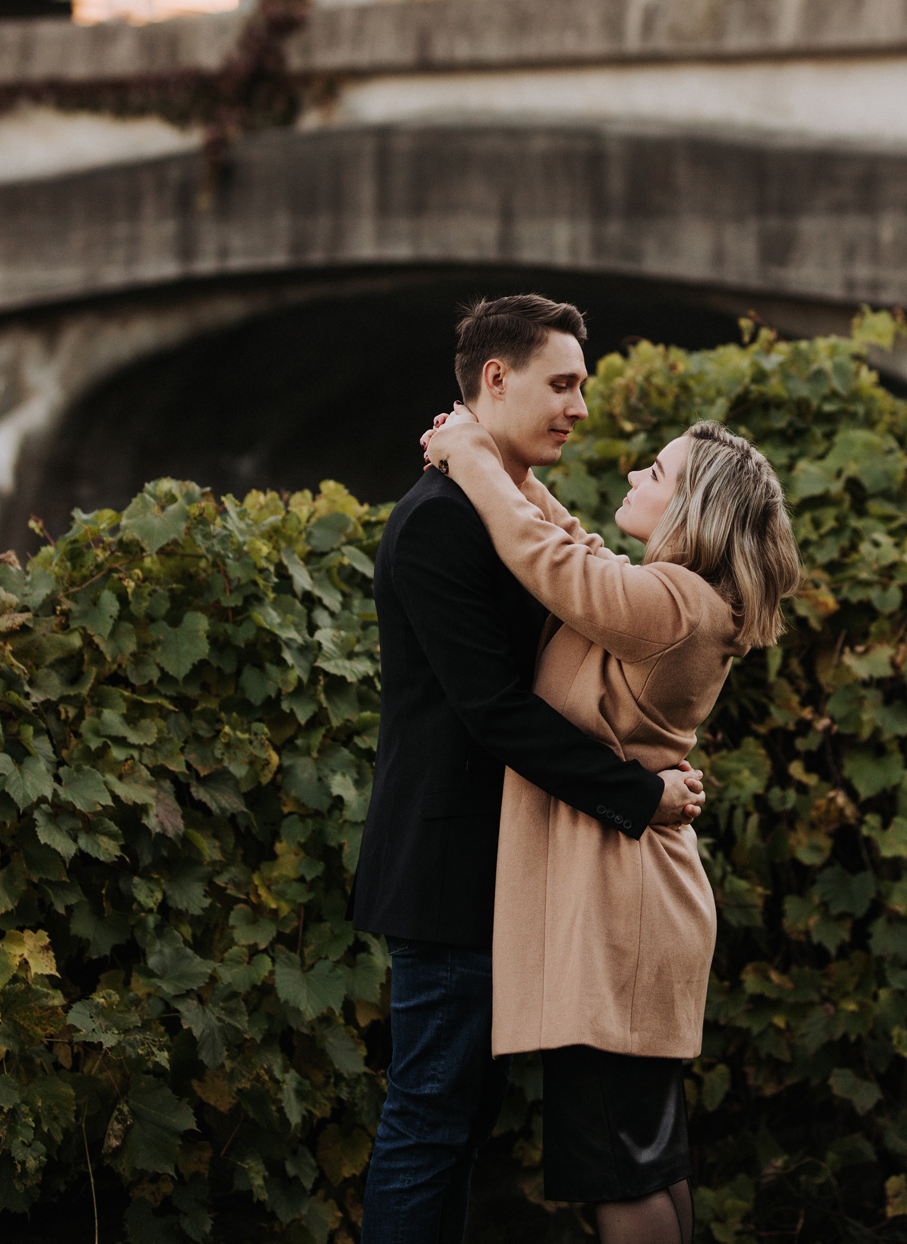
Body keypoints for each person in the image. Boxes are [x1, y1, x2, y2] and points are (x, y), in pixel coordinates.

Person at [352, 294, 707, 1244]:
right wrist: (639, 795)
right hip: (448, 873)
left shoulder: (502, 515)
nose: (580, 408)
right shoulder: (438, 523)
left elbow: (573, 559)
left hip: (507, 872)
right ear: (494, 381)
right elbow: (494, 712)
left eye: (581, 386)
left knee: (461, 1128)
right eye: (563, 383)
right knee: (430, 1123)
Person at [425, 403, 802, 1244]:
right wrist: (511, 474)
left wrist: (470, 453)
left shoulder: (673, 607)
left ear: (692, 509)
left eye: (656, 474)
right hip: (636, 906)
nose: (634, 477)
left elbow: (548, 560)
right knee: (648, 1157)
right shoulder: (684, 602)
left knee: (617, 1167)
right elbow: (580, 552)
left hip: (616, 918)